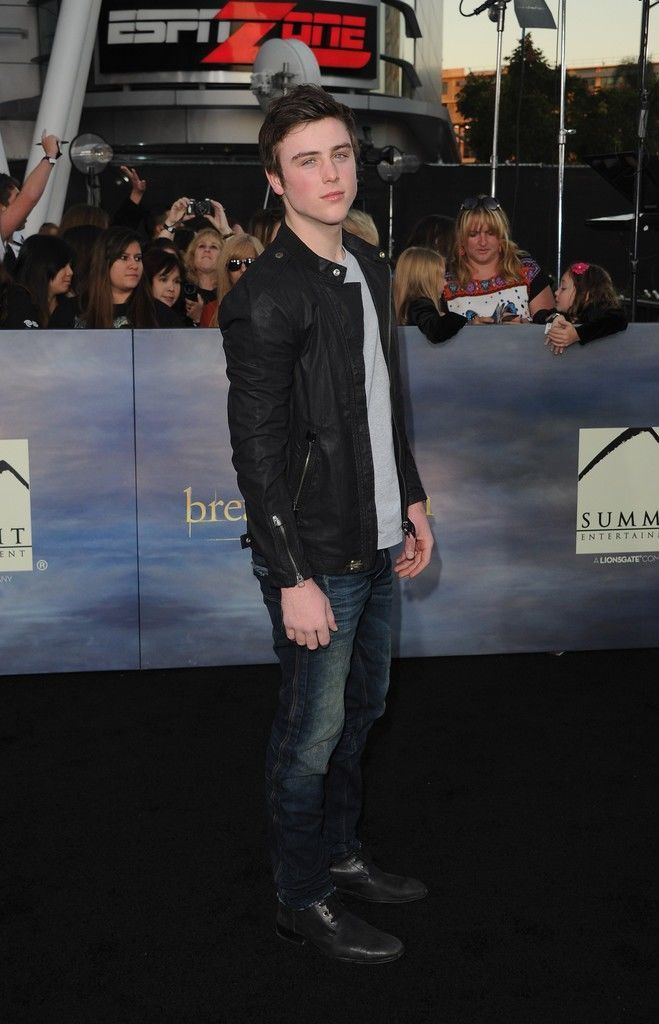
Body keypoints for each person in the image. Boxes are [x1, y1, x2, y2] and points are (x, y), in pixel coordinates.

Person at [220, 84, 433, 965]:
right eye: (307, 161)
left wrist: (409, 498)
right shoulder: (266, 296)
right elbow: (257, 454)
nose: (331, 173)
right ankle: (300, 897)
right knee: (308, 735)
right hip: (317, 556)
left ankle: (340, 854)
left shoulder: (369, 267)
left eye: (340, 153)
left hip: (378, 536)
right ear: (276, 181)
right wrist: (292, 576)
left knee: (363, 711)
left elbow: (383, 405)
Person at [444, 195, 554, 323]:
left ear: (501, 235)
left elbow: (550, 327)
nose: (483, 242)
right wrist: (469, 328)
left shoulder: (527, 269)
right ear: (462, 238)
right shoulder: (444, 278)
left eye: (490, 233)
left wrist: (523, 324)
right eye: (473, 234)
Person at [0, 131, 62, 269]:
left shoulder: (12, 248)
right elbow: (30, 196)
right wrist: (50, 155)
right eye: (18, 199)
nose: (26, 207)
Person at [77, 226, 157, 328]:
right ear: (105, 262)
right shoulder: (73, 309)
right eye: (124, 257)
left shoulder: (158, 313)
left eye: (138, 258)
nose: (134, 265)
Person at [543, 261, 628, 355]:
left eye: (563, 288)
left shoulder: (596, 313)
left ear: (585, 294)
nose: (556, 292)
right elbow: (541, 314)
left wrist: (577, 334)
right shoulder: (565, 314)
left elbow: (617, 319)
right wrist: (557, 317)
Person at [394, 246, 466, 344]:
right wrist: (461, 319)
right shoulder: (419, 304)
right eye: (442, 277)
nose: (445, 283)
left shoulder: (408, 304)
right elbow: (436, 331)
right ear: (426, 280)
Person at [0, 234, 74, 329]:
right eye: (62, 266)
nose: (70, 272)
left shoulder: (66, 305)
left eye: (70, 265)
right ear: (41, 266)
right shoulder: (16, 301)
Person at [200, 232, 263, 327]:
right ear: (226, 270)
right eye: (234, 263)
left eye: (249, 262)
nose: (243, 269)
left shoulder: (276, 308)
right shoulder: (211, 311)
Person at [143, 247, 186, 325]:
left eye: (177, 281)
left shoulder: (178, 319)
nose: (172, 288)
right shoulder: (133, 318)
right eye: (163, 280)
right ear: (148, 281)